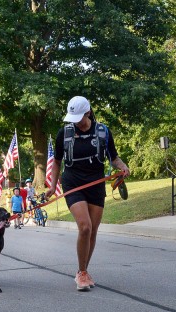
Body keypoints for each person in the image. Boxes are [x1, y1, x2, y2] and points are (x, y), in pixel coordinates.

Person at [45, 96, 130, 291]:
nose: (74, 122)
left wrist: (123, 166)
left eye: (78, 117)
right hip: (73, 182)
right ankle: (81, 273)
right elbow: (57, 161)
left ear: (88, 112)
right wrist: (52, 185)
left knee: (93, 230)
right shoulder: (64, 133)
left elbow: (113, 157)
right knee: (84, 226)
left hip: (96, 183)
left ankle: (83, 270)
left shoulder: (103, 132)